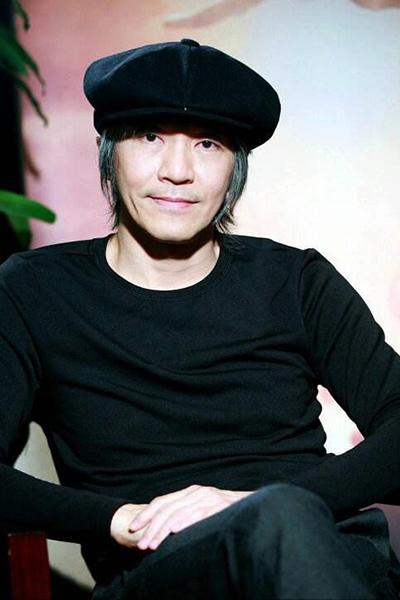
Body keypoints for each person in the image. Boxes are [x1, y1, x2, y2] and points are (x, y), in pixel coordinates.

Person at [1, 38, 400, 600]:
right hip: (160, 573)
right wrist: (117, 518)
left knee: (282, 520)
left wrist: (256, 503)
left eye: (208, 144)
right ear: (107, 150)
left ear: (236, 167)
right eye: (150, 136)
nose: (178, 171)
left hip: (328, 554)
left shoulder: (295, 281)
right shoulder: (35, 291)